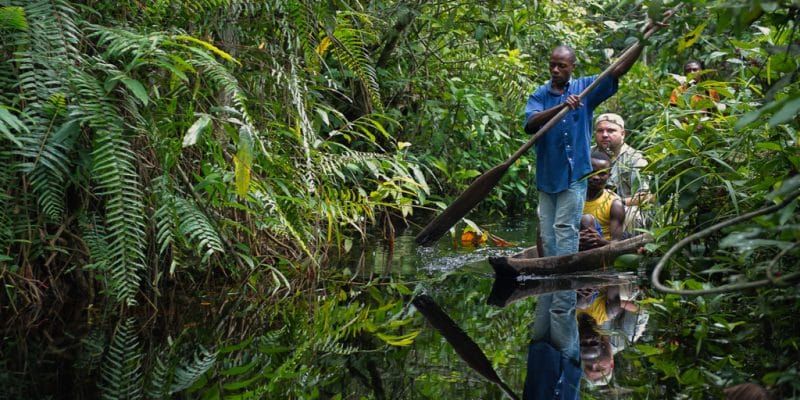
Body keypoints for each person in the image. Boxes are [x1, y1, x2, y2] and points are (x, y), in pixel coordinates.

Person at [522, 41, 645, 399]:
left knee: (565, 227)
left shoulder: (585, 90)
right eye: (553, 65)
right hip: (548, 176)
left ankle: (560, 282)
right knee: (547, 229)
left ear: (572, 67)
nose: (556, 70)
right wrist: (560, 107)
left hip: (575, 175)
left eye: (562, 66)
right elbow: (530, 124)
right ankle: (552, 273)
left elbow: (617, 70)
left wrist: (643, 40)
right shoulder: (541, 95)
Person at [593, 113, 650, 233]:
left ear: (623, 134)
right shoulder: (587, 154)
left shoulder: (635, 158)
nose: (604, 135)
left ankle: (629, 249)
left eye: (611, 130)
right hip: (590, 204)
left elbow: (647, 195)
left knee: (632, 213)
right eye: (600, 131)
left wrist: (616, 203)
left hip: (622, 207)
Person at [580, 151, 625, 249]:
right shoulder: (573, 197)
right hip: (574, 242)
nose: (595, 177)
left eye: (602, 174)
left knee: (586, 219)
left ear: (609, 176)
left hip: (599, 250)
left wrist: (599, 240)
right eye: (592, 172)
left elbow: (617, 245)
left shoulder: (615, 204)